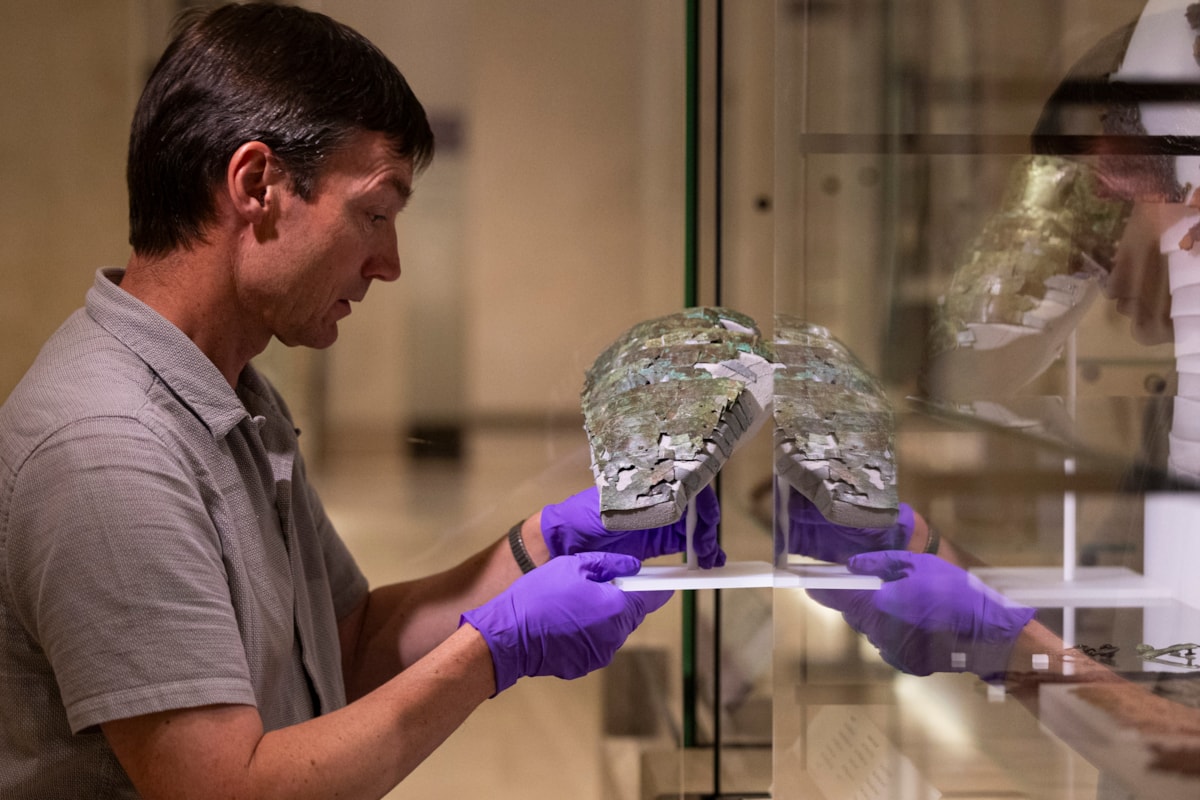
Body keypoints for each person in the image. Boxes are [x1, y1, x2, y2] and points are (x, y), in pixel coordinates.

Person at [0, 4, 725, 798]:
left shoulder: (235, 394)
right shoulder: (109, 448)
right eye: (374, 214)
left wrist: (538, 547)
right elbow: (223, 790)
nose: (389, 263)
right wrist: (495, 651)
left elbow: (342, 649)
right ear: (257, 185)